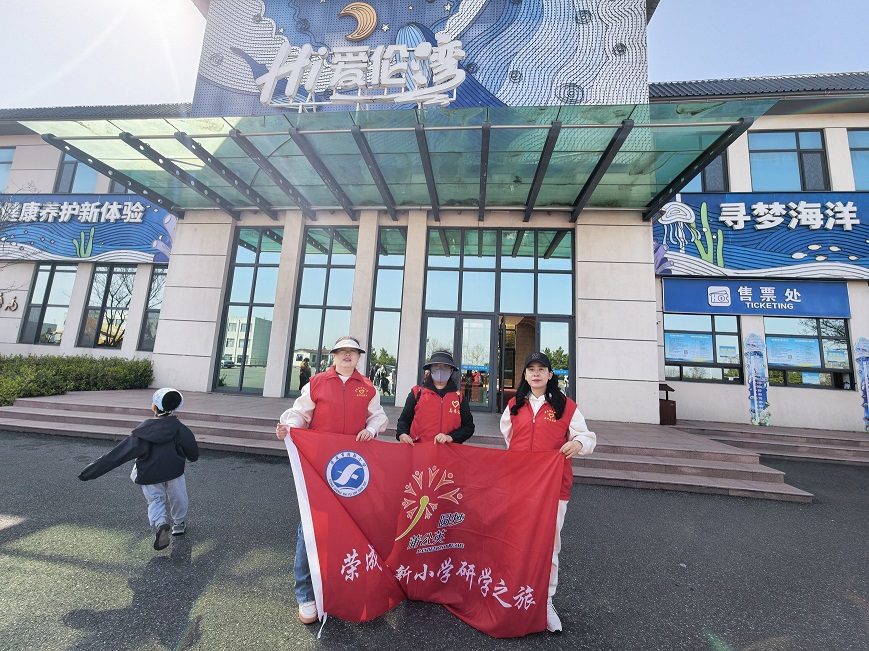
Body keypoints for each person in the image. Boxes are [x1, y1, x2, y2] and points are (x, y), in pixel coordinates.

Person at [275, 335, 388, 625]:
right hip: (318, 467)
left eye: (352, 352)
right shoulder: (316, 383)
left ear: (359, 357)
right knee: (310, 527)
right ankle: (305, 593)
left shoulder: (368, 387)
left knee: (352, 526)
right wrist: (288, 427)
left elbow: (378, 417)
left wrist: (372, 429)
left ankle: (344, 585)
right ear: (333, 356)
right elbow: (299, 414)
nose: (347, 355)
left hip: (353, 468)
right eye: (342, 351)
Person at [500, 352, 595, 634]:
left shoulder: (565, 406)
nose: (536, 374)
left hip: (553, 488)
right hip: (519, 488)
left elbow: (588, 437)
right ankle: (514, 594)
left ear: (550, 374)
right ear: (525, 375)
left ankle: (545, 601)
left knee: (548, 546)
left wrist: (578, 444)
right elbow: (509, 439)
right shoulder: (514, 406)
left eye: (541, 369)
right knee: (515, 542)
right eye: (531, 369)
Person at [78, 388, 199, 551]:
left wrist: (89, 472)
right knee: (179, 497)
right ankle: (179, 524)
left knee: (155, 500)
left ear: (154, 407)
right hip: (174, 471)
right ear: (175, 408)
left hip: (149, 473)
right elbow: (193, 453)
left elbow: (117, 455)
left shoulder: (143, 432)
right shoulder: (180, 429)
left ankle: (161, 523)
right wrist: (191, 456)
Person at [396, 350, 474, 445]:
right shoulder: (417, 393)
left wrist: (451, 437)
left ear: (451, 371)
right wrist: (402, 434)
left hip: (449, 451)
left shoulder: (459, 397)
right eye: (436, 366)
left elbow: (469, 427)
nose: (440, 370)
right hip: (420, 450)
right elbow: (404, 420)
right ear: (430, 369)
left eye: (445, 367)